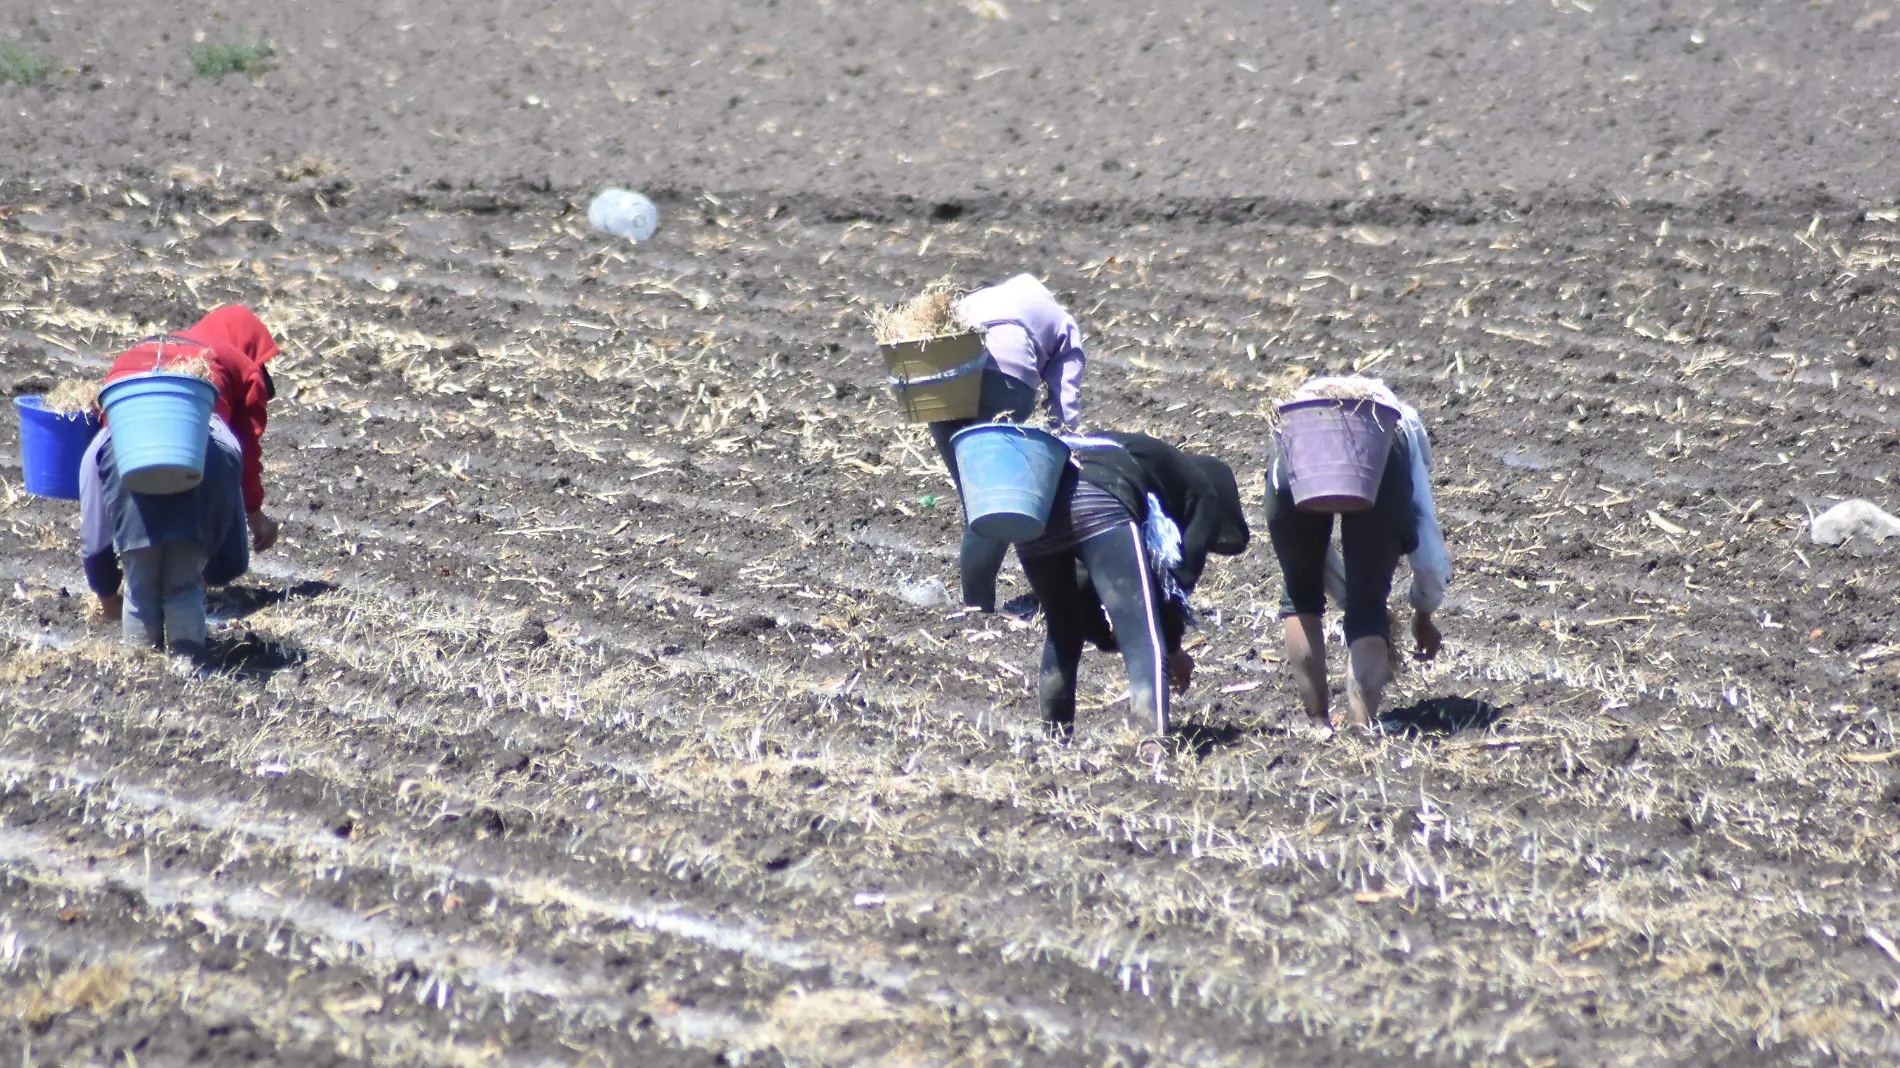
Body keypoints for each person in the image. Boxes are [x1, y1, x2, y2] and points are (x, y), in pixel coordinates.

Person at [1014, 432, 1249, 739]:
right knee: (1143, 636)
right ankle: (1151, 746)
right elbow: (1172, 583)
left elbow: (1082, 582)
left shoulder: (1156, 464)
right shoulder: (1203, 493)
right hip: (1099, 492)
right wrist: (1173, 648)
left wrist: (1103, 636)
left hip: (1033, 500)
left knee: (1063, 629)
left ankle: (1054, 741)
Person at [1263, 376, 1449, 728]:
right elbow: (1427, 544)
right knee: (1369, 608)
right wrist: (1423, 617)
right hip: (1379, 449)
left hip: (1292, 439)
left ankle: (1318, 725)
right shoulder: (1403, 424)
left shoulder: (1298, 408)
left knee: (1300, 594)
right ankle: (1359, 729)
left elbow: (1320, 561)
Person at [929, 274, 1087, 612]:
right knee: (995, 502)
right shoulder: (1060, 320)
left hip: (936, 379)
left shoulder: (977, 297)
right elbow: (1065, 404)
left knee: (978, 503)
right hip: (1006, 374)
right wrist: (1060, 447)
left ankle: (974, 605)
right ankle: (980, 606)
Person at [102, 305, 284, 552]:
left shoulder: (155, 345)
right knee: (226, 560)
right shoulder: (238, 364)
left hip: (120, 402)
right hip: (189, 452)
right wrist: (255, 515)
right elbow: (245, 454)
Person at [81, 416, 249, 655]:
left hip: (131, 490)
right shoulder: (218, 430)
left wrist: (106, 591)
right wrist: (214, 571)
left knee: (140, 590)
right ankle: (187, 668)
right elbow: (233, 544)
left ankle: (143, 671)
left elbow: (94, 538)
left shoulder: (108, 437)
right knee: (184, 587)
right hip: (205, 471)